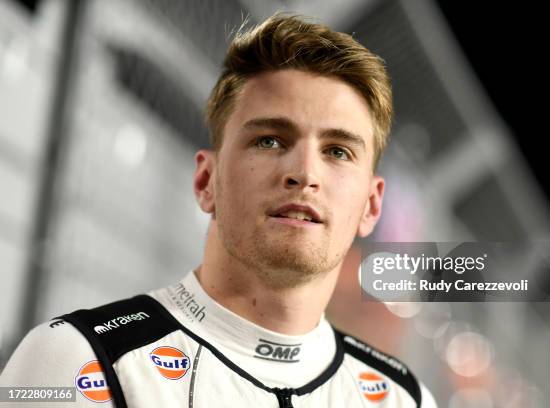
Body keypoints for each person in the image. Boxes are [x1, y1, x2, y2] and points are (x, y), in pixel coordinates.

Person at [0, 14, 437, 407]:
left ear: (371, 204)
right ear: (206, 182)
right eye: (270, 140)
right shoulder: (76, 364)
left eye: (338, 151)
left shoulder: (403, 398)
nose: (305, 173)